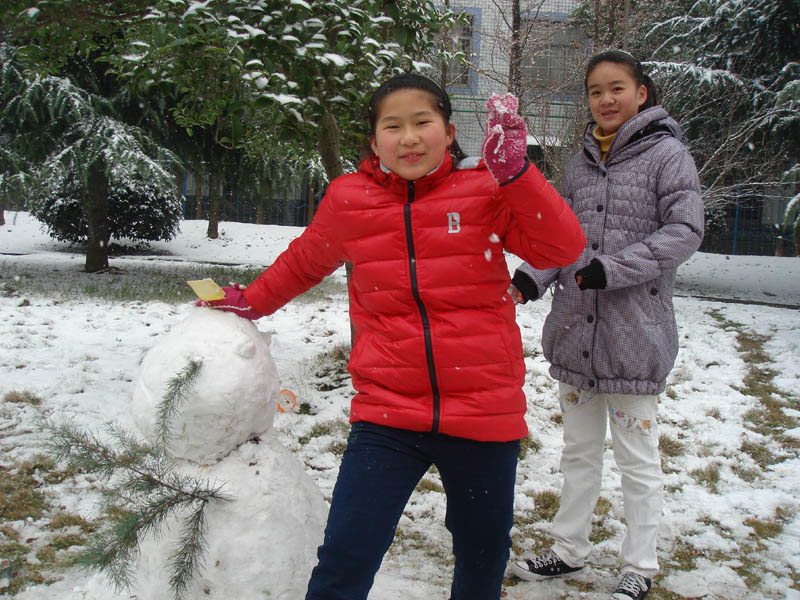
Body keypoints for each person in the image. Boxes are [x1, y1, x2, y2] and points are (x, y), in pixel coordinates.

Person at [199, 73, 585, 599]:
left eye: (422, 122)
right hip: (388, 411)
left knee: (481, 553)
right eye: (393, 126)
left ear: (449, 132)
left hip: (483, 411)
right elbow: (305, 261)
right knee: (347, 553)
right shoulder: (349, 200)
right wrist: (252, 301)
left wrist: (518, 174)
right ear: (373, 140)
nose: (408, 138)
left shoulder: (485, 189)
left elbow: (561, 248)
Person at [507, 50, 704, 600]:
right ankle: (569, 549)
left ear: (642, 92)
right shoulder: (578, 163)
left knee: (637, 458)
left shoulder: (669, 156)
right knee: (578, 451)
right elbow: (557, 235)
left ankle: (640, 562)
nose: (606, 99)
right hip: (575, 331)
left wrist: (611, 269)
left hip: (632, 337)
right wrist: (530, 278)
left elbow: (684, 231)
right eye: (596, 91)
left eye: (616, 88)